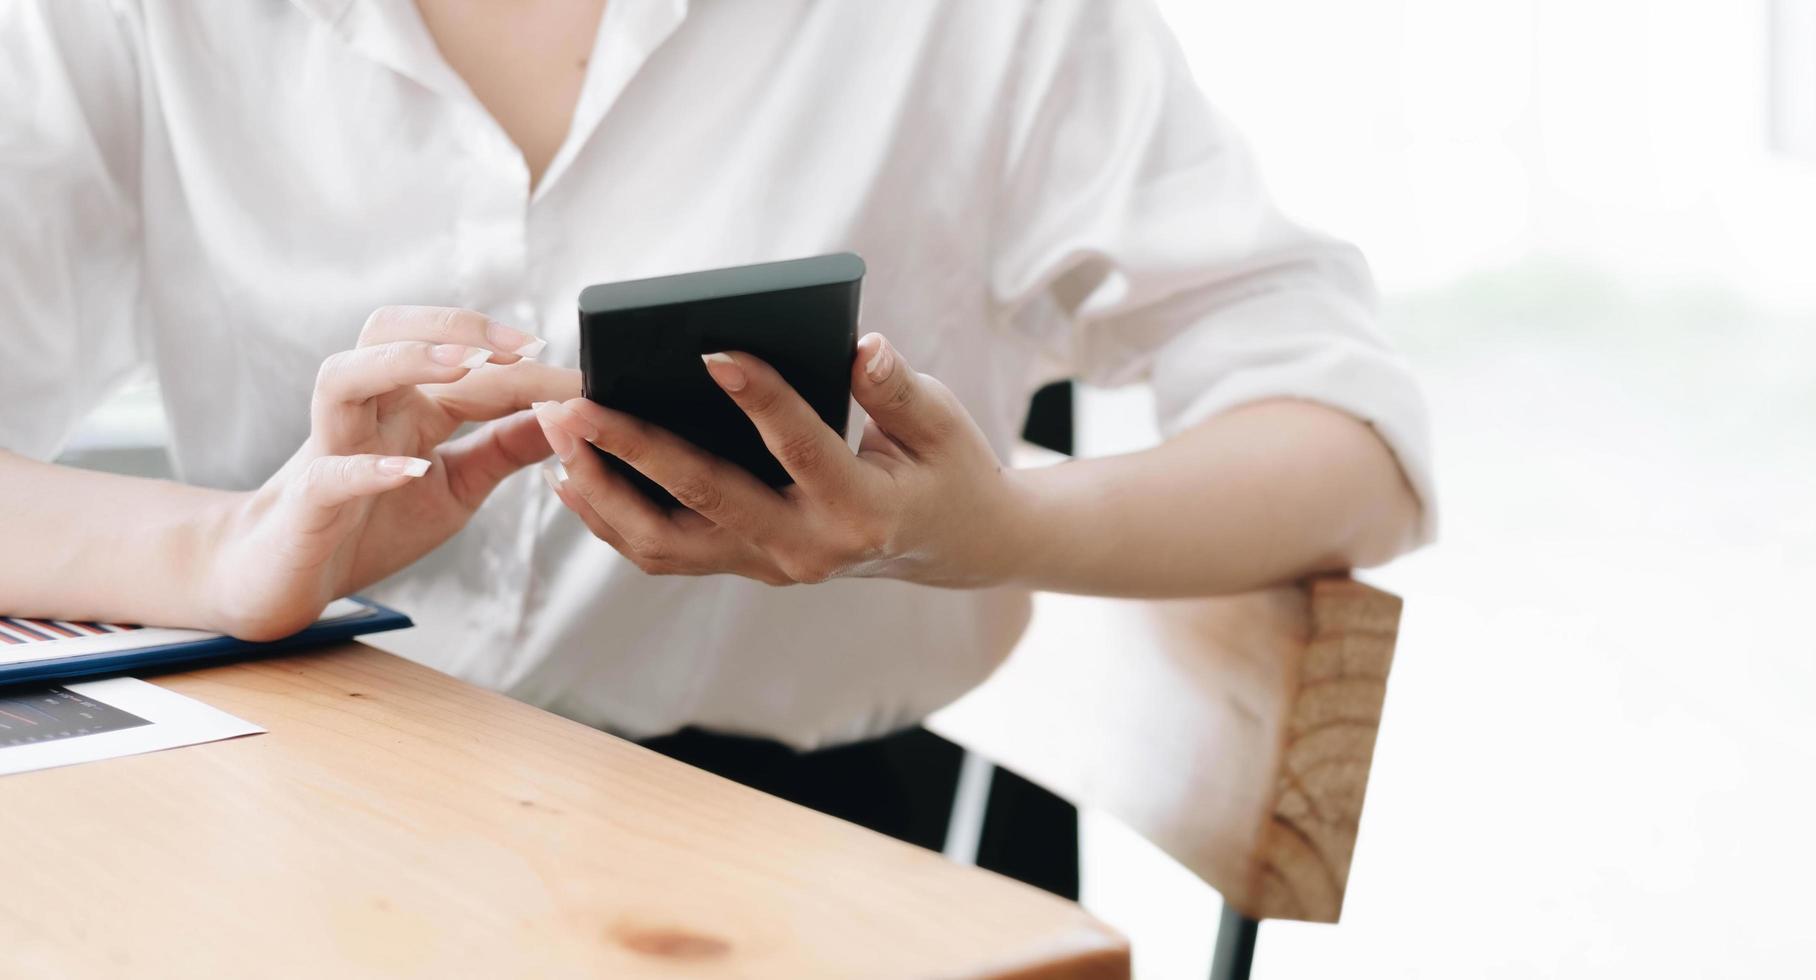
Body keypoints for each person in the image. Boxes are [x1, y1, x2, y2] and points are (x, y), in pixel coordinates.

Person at [2, 0, 1432, 860]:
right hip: (295, 796)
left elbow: (1350, 441)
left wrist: (990, 535)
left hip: (813, 846)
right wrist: (234, 547)